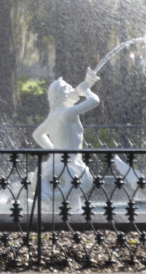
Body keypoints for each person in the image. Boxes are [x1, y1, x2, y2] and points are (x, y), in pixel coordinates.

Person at [31, 69, 100, 212]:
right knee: (72, 198)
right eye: (69, 88)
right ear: (63, 95)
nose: (73, 90)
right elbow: (94, 100)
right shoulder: (69, 113)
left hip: (56, 163)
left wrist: (53, 151)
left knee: (60, 200)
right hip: (73, 165)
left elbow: (37, 135)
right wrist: (86, 90)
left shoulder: (53, 115)